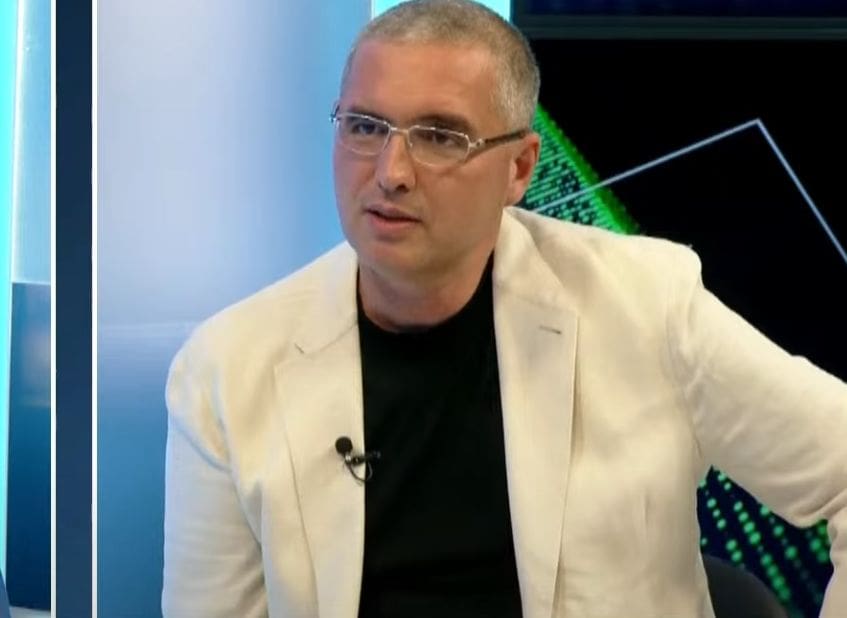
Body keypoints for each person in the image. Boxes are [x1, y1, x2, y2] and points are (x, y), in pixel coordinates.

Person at [161, 0, 847, 616]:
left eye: (439, 136)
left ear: (519, 168)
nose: (390, 172)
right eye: (365, 126)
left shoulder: (647, 303)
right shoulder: (227, 368)